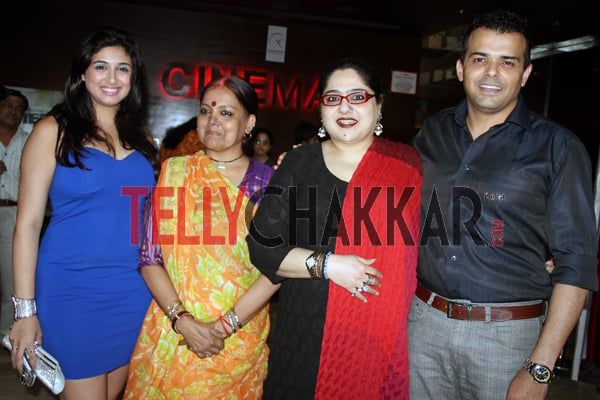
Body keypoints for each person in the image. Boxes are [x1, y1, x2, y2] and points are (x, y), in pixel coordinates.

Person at [409, 10, 598, 400]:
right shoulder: (431, 134)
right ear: (461, 68)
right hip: (422, 327)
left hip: (508, 339)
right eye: (480, 59)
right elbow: (383, 192)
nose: (491, 73)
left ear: (525, 74)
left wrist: (540, 368)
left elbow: (576, 263)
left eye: (507, 62)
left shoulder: (558, 148)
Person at [247, 57, 422, 399]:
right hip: (304, 329)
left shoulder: (407, 166)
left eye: (358, 96)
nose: (345, 106)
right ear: (321, 109)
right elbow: (262, 245)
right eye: (333, 98)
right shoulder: (299, 163)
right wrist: (328, 264)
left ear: (379, 105)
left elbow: (426, 247)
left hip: (376, 332)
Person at [8, 27, 157, 399]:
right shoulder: (52, 131)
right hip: (70, 291)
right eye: (101, 67)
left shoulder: (143, 140)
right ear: (82, 74)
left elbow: (146, 218)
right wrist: (25, 312)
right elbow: (26, 225)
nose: (112, 78)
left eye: (123, 69)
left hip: (131, 291)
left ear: (133, 78)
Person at [124, 75, 280, 399]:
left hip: (237, 339)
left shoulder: (269, 183)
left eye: (226, 113)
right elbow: (149, 258)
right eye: (206, 110)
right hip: (173, 329)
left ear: (249, 123)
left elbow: (277, 268)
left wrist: (223, 327)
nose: (213, 121)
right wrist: (182, 321)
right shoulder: (174, 172)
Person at [0, 86, 29, 338]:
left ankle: (5, 334)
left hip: (13, 214)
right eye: (8, 105)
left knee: (11, 279)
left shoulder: (30, 141)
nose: (13, 111)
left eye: (19, 108)